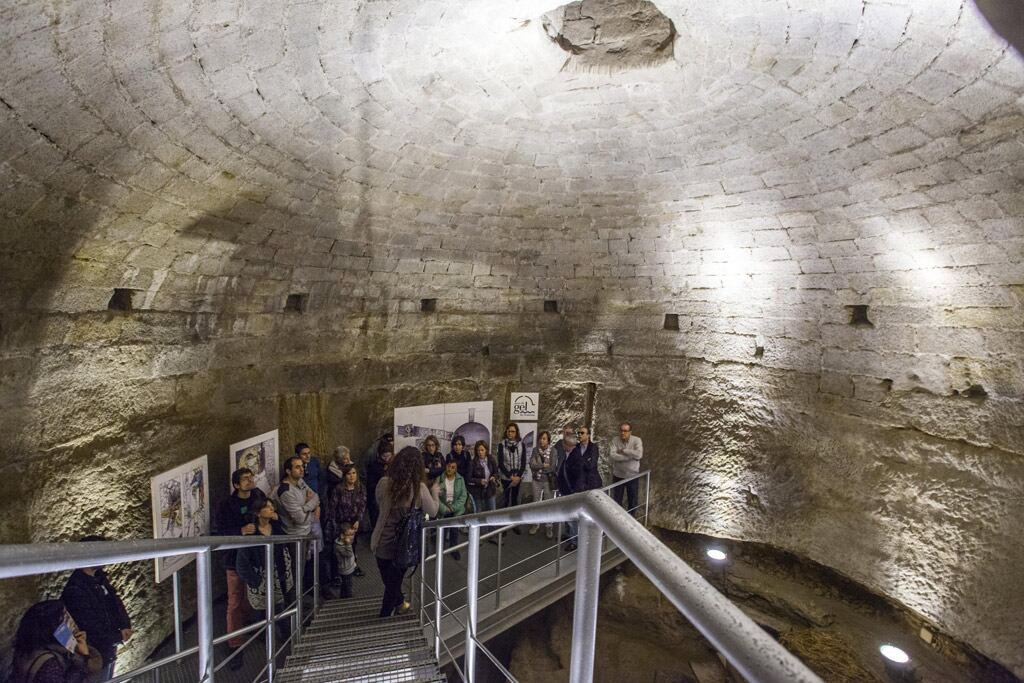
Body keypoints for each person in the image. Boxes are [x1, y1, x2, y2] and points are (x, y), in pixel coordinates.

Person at [370, 446, 440, 618]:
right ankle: (386, 615)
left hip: (380, 542)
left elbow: (379, 504)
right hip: (403, 546)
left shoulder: (384, 483)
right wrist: (435, 493)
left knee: (390, 582)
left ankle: (400, 604)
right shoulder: (419, 488)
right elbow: (433, 512)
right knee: (393, 584)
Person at [60, 539, 131, 682]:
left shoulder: (99, 578)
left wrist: (124, 625)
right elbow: (90, 625)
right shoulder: (76, 590)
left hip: (108, 645)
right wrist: (117, 636)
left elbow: (114, 601)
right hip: (95, 650)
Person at [213, 468, 265, 656]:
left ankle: (250, 624)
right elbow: (219, 532)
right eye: (245, 479)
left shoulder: (258, 496)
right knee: (235, 600)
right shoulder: (226, 505)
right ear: (236, 485)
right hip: (234, 559)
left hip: (255, 557)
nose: (250, 480)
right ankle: (234, 643)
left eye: (251, 477)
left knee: (252, 593)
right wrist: (241, 530)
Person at [273, 456, 330, 598]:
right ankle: (295, 604)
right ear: (288, 470)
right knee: (296, 571)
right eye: (297, 467)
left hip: (308, 531)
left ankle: (304, 597)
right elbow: (300, 519)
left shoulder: (301, 481)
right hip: (296, 535)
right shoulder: (285, 491)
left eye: (302, 466)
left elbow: (316, 497)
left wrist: (306, 506)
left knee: (308, 566)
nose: (302, 469)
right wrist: (311, 508)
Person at [9, 599, 102, 683]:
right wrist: (85, 657)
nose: (70, 623)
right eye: (64, 619)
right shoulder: (49, 664)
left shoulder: (31, 645)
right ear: (52, 627)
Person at [235, 499, 294, 617]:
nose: (272, 508)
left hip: (281, 579)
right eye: (267, 507)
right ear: (258, 513)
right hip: (261, 585)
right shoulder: (252, 534)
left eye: (272, 506)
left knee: (283, 615)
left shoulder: (277, 529)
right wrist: (255, 581)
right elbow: (242, 563)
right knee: (262, 619)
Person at [325, 465, 367, 579]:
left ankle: (352, 568)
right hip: (340, 524)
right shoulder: (338, 489)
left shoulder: (360, 488)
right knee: (338, 549)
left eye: (354, 473)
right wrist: (334, 525)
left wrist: (358, 520)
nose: (352, 476)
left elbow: (362, 506)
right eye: (349, 474)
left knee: (351, 547)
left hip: (353, 524)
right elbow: (332, 508)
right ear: (344, 476)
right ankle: (336, 574)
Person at [556, 427, 585, 551]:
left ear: (568, 445)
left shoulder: (576, 457)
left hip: (571, 492)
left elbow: (577, 476)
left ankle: (574, 541)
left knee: (572, 518)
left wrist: (573, 492)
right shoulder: (570, 454)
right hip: (566, 491)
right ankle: (569, 535)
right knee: (567, 517)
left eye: (564, 443)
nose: (562, 445)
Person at [496, 423, 526, 534]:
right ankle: (503, 525)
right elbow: (500, 463)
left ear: (516, 432)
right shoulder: (501, 445)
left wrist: (518, 476)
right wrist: (510, 476)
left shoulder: (521, 445)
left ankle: (514, 524)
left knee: (514, 501)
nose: (510, 433)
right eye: (508, 431)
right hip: (506, 477)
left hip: (517, 478)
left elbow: (523, 462)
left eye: (512, 431)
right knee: (505, 501)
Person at [609, 422, 644, 515]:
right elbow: (613, 456)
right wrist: (628, 457)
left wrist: (624, 451)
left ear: (630, 432)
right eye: (621, 430)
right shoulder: (615, 440)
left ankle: (630, 521)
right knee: (616, 500)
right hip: (618, 475)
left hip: (632, 476)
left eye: (625, 431)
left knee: (632, 500)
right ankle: (617, 520)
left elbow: (639, 455)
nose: (622, 433)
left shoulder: (637, 440)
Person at [437, 459, 468, 560]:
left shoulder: (460, 479)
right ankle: (440, 550)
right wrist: (444, 508)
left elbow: (463, 496)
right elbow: (435, 497)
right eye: (448, 466)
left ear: (456, 469)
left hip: (455, 510)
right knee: (442, 531)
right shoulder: (439, 478)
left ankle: (454, 549)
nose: (450, 469)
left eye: (453, 467)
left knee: (454, 531)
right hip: (443, 509)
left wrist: (453, 508)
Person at [528, 431, 556, 538]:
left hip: (548, 481)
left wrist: (539, 466)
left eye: (544, 438)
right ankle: (536, 524)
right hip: (537, 480)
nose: (542, 440)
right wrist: (543, 465)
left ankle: (549, 526)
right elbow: (531, 464)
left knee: (548, 504)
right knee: (536, 503)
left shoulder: (553, 451)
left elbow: (552, 467)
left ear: (548, 440)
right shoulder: (535, 450)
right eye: (541, 438)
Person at [466, 440, 500, 514]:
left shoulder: (491, 460)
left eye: (482, 450)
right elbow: (468, 479)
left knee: (492, 511)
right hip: (478, 492)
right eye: (478, 450)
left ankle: (492, 526)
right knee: (479, 512)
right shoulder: (472, 463)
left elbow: (496, 472)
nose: (480, 452)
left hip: (490, 490)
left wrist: (494, 477)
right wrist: (479, 481)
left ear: (486, 450)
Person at [366, 442, 394, 530]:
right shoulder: (374, 466)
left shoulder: (394, 464)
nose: (386, 459)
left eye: (388, 456)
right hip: (377, 498)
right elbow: (370, 484)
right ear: (379, 455)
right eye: (384, 456)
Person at [576, 426, 603, 491]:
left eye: (582, 433)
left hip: (592, 483)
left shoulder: (593, 447)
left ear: (588, 435)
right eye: (578, 433)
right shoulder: (575, 447)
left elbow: (591, 465)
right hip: (579, 484)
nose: (579, 434)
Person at [335, 524, 358, 598]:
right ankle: (348, 599)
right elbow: (349, 554)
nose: (352, 537)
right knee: (348, 585)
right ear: (342, 536)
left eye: (352, 534)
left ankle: (343, 596)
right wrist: (348, 545)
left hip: (349, 567)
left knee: (345, 584)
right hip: (345, 570)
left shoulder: (345, 543)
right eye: (349, 535)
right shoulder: (339, 546)